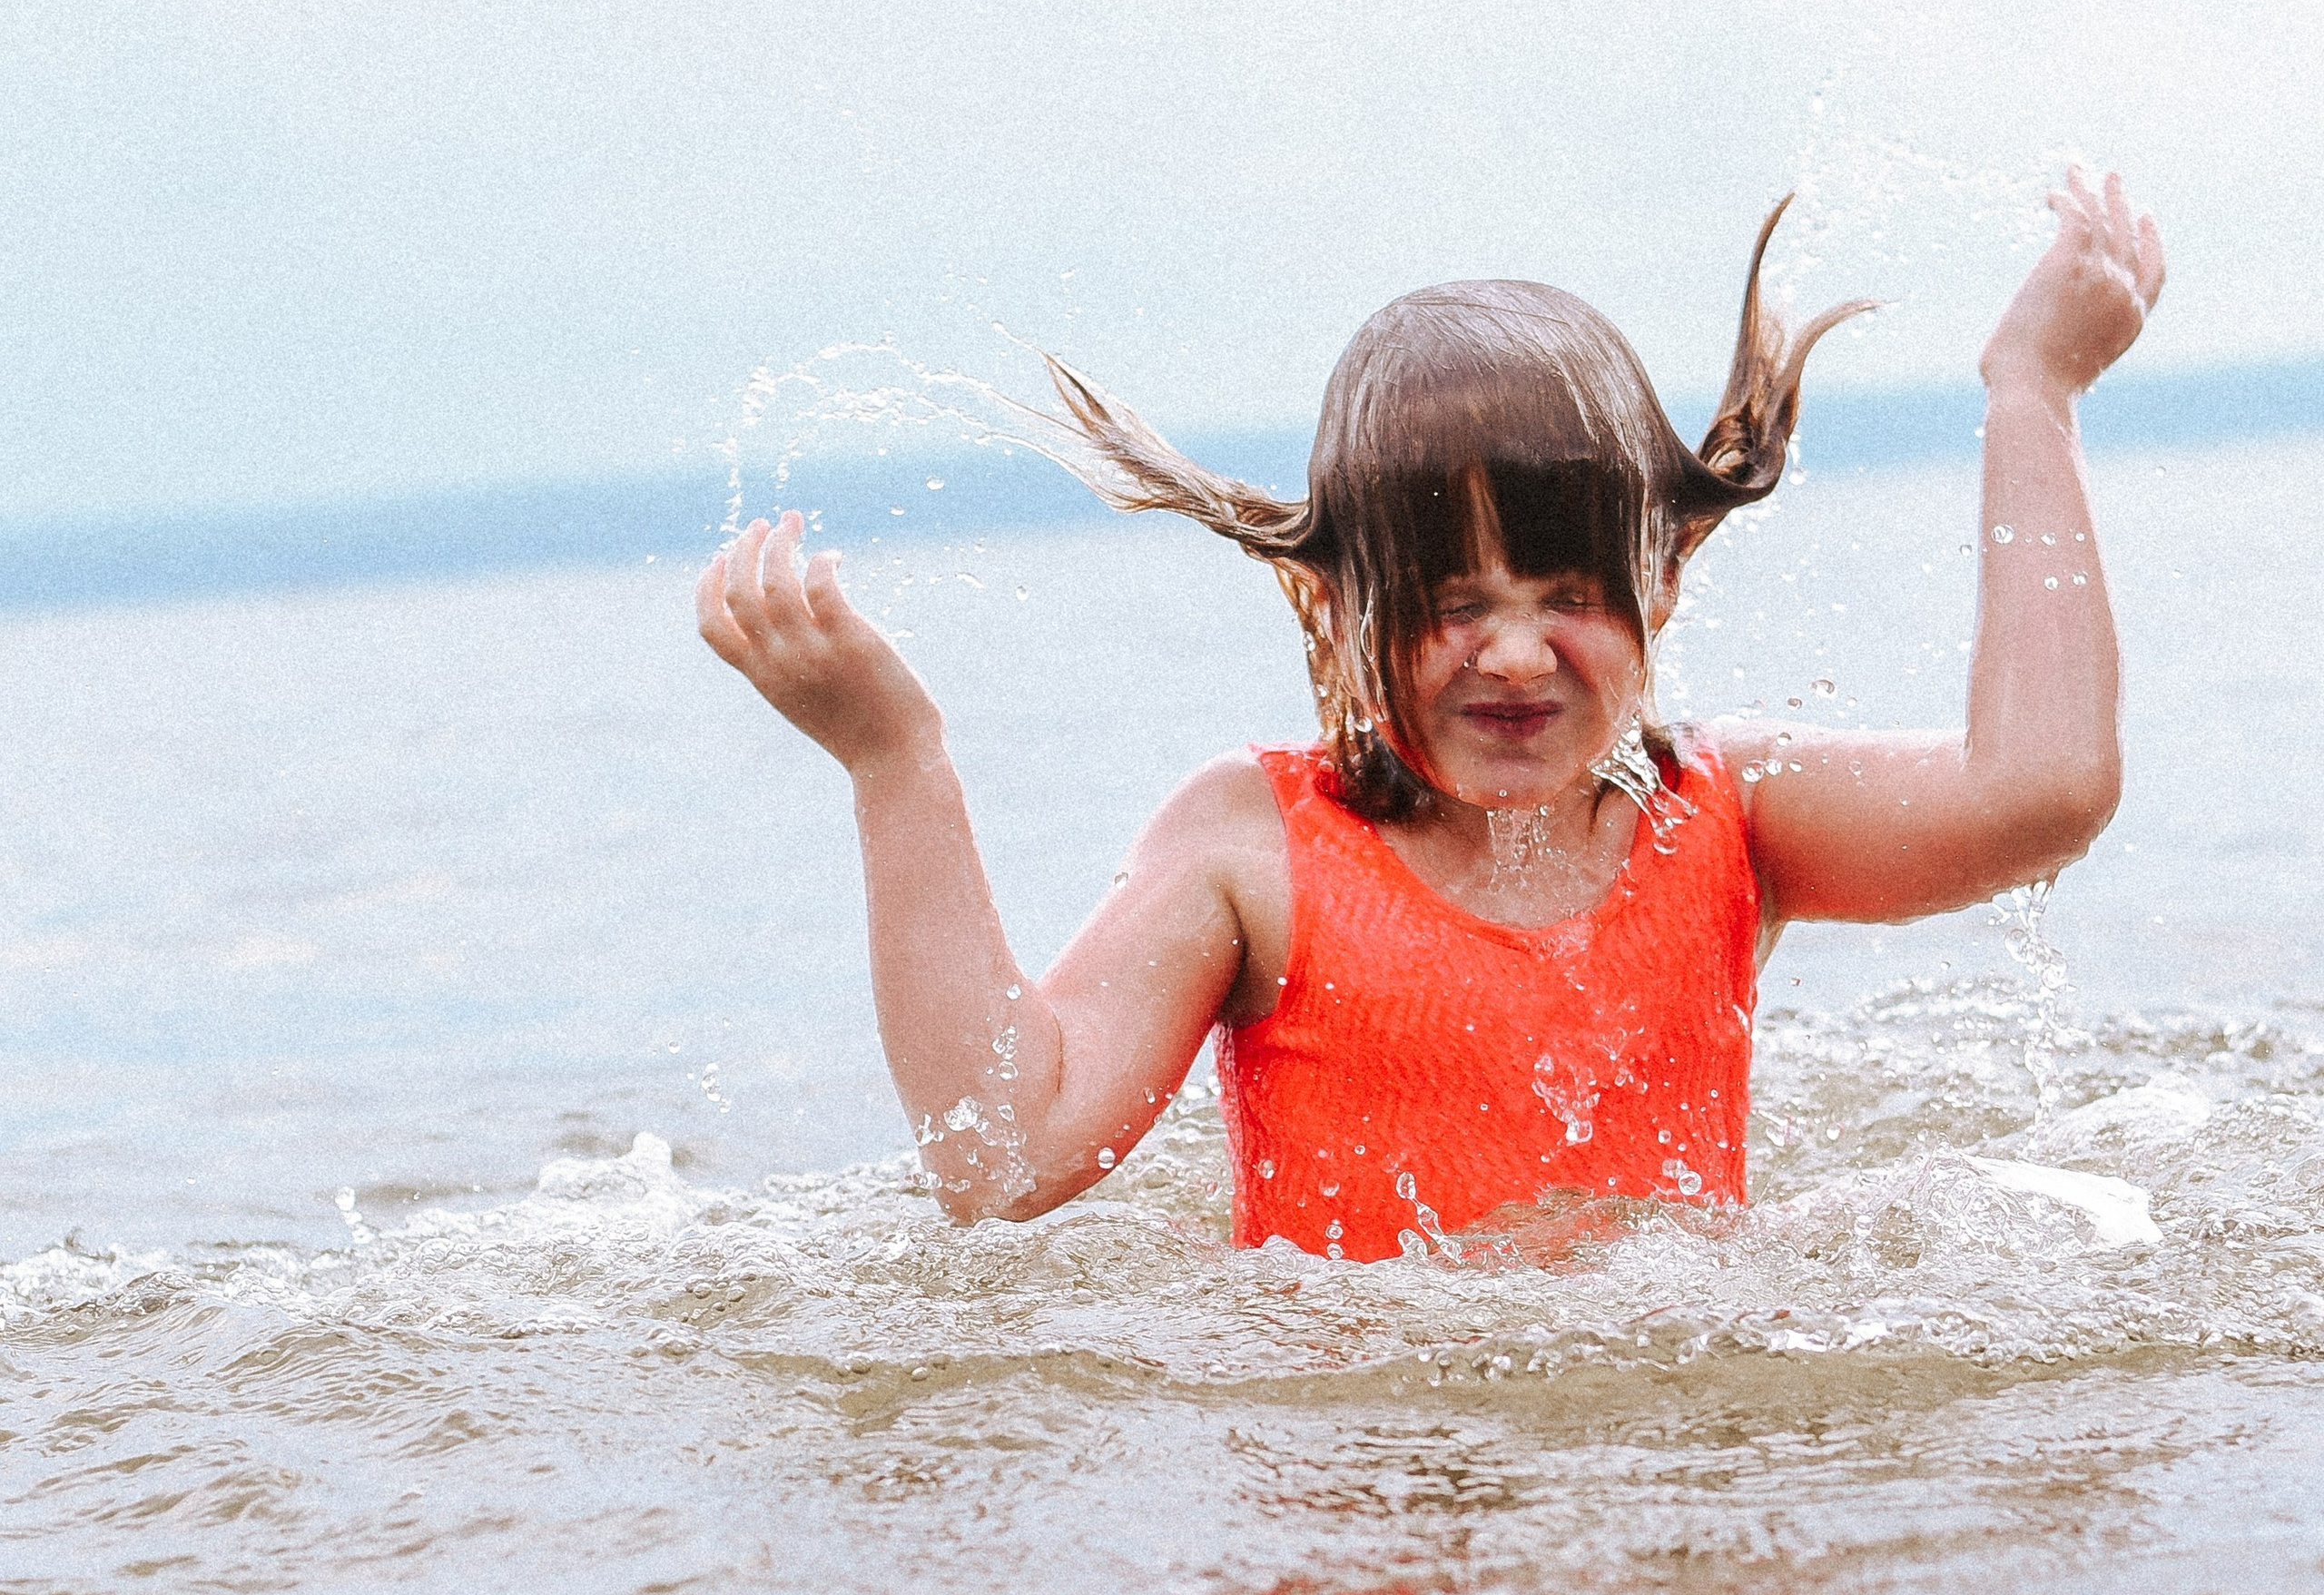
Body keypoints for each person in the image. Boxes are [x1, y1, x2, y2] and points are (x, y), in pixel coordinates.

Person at [696, 170, 2162, 1258]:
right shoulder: (1252, 847)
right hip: (1371, 1500)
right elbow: (1004, 1154)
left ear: (1666, 576)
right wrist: (897, 762)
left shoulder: (1733, 811)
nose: (1512, 653)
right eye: (1450, 604)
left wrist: (2032, 390)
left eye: (1570, 590)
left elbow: (2042, 794)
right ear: (1334, 605)